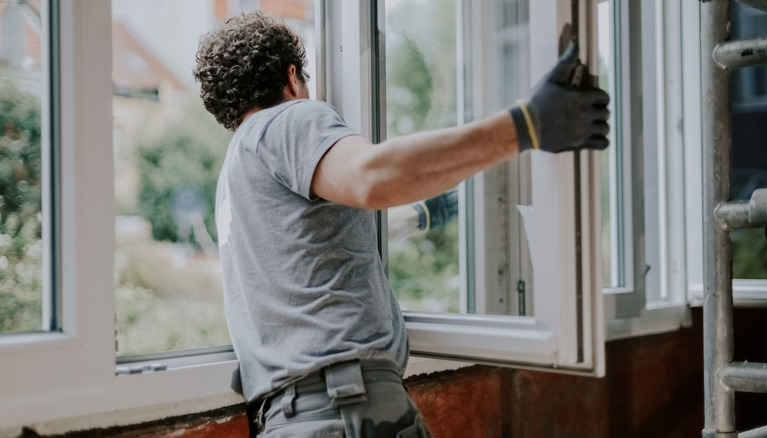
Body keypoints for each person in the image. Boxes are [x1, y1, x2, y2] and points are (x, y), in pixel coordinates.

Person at [194, 11, 608, 438]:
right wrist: (528, 125)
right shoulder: (291, 119)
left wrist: (455, 201)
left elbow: (337, 241)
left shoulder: (237, 175)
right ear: (292, 75)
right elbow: (373, 178)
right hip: (346, 412)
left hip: (290, 420)